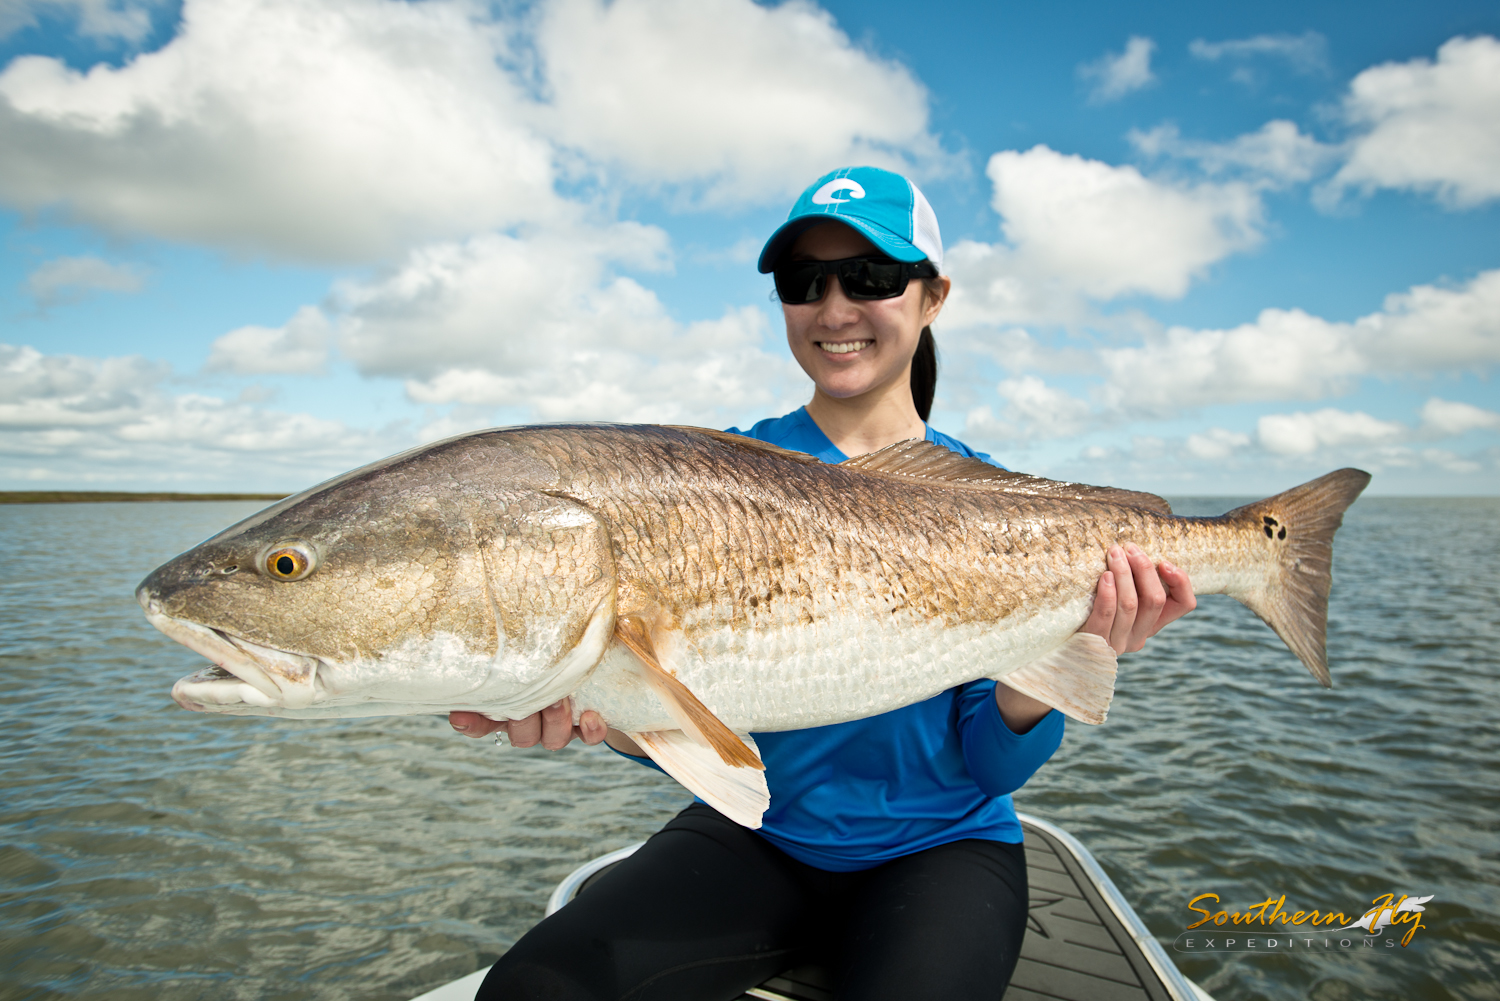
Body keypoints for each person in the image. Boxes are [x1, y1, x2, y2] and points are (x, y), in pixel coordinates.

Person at [450, 166, 1197, 1000]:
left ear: (933, 296)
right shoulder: (703, 478)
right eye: (805, 281)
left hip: (945, 848)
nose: (835, 308)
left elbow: (988, 766)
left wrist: (1071, 650)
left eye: (872, 276)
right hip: (759, 835)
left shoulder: (991, 501)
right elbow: (702, 733)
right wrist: (604, 712)